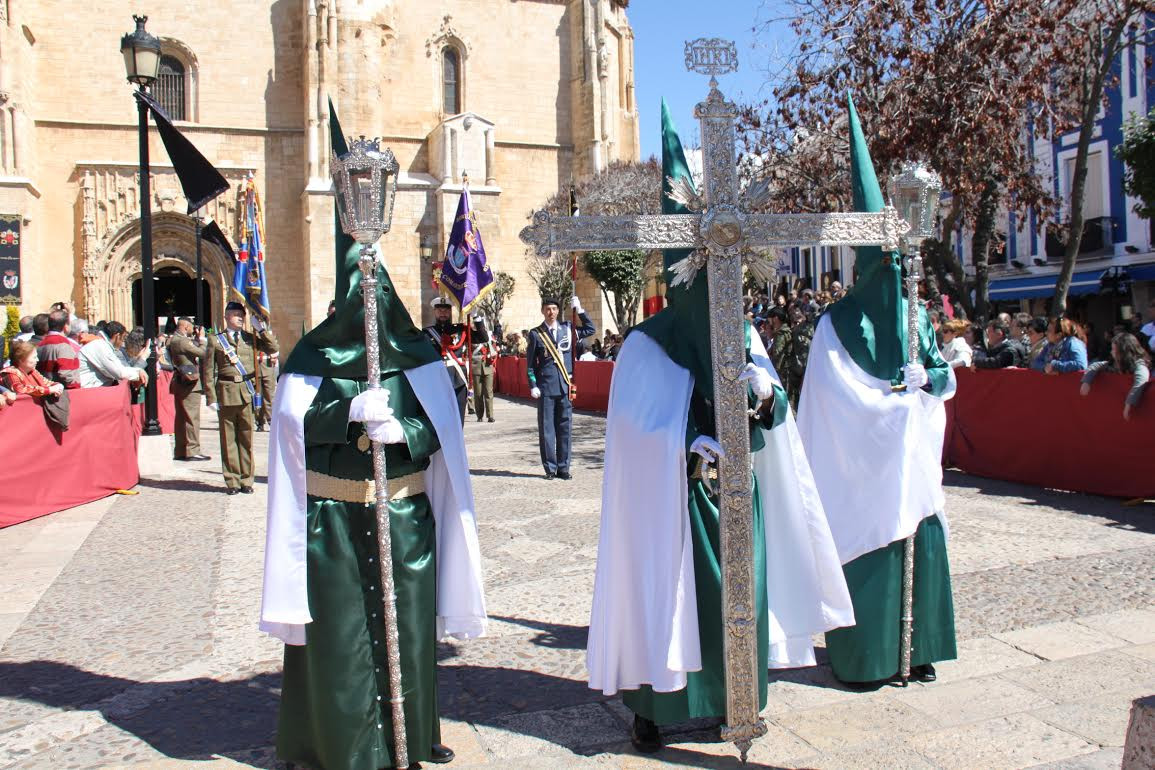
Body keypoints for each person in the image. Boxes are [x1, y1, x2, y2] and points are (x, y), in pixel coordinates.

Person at [588, 100, 853, 755]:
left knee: (738, 603)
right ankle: (656, 707)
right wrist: (684, 445)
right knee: (669, 600)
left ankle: (737, 700)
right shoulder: (647, 345)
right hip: (672, 504)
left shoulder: (741, 329)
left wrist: (765, 400)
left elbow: (775, 417)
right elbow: (631, 435)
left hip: (741, 498)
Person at [260, 114, 485, 769]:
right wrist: (343, 409)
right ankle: (341, 747)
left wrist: (403, 425)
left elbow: (442, 431)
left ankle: (411, 738)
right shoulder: (308, 355)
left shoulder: (416, 353)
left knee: (408, 635)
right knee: (337, 640)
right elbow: (288, 428)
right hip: (332, 517)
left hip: (405, 514)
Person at [798, 97, 957, 689]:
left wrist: (929, 385)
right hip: (860, 474)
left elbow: (942, 372)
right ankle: (866, 657)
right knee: (870, 555)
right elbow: (833, 402)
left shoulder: (916, 316)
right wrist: (895, 412)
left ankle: (918, 651)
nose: (891, 275)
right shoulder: (835, 323)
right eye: (881, 263)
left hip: (911, 469)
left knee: (922, 542)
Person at [204, 302, 278, 494]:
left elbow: (272, 348)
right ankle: (232, 481)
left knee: (246, 438)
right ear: (227, 316)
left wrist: (261, 329)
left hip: (247, 393)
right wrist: (211, 397)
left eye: (241, 315)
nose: (239, 318)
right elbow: (209, 371)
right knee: (228, 439)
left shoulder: (250, 338)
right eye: (235, 314)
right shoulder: (215, 340)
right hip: (226, 391)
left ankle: (247, 480)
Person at [525, 295, 595, 479]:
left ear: (558, 311)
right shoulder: (536, 333)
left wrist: (580, 310)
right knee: (547, 429)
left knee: (565, 427)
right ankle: (550, 468)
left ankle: (564, 467)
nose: (551, 312)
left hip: (565, 385)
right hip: (546, 387)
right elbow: (530, 364)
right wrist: (533, 384)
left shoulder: (568, 329)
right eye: (547, 309)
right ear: (542, 311)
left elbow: (590, 329)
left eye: (554, 309)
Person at [424, 296, 488, 423]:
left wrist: (476, 317)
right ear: (434, 312)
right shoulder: (427, 333)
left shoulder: (461, 330)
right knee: (439, 419)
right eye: (439, 310)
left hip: (457, 379)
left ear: (450, 311)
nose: (443, 313)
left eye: (446, 310)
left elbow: (482, 338)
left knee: (458, 419)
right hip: (437, 379)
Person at [1080, 332, 1150, 420]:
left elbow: (1140, 382)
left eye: (1114, 349)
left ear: (1124, 351)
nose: (1111, 352)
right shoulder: (1114, 363)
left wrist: (1128, 405)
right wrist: (1086, 382)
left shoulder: (1139, 365)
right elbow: (1096, 365)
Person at [168, 317, 210, 462]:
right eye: (191, 327)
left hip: (180, 382)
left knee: (181, 417)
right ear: (185, 326)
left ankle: (180, 450)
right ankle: (193, 450)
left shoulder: (173, 340)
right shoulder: (182, 341)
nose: (194, 329)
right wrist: (203, 339)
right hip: (190, 383)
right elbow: (204, 353)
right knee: (192, 417)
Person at [77, 321, 147, 388]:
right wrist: (138, 372)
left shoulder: (102, 344)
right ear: (117, 336)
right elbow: (118, 372)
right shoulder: (100, 345)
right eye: (123, 338)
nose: (123, 342)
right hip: (88, 390)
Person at [36, 310, 81, 388]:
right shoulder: (63, 344)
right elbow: (65, 373)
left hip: (47, 390)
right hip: (63, 394)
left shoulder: (41, 344)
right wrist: (75, 386)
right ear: (65, 327)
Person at [470, 320, 498, 422]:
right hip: (476, 366)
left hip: (488, 366)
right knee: (478, 393)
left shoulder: (489, 336)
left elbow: (494, 350)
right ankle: (479, 415)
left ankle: (490, 415)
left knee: (489, 392)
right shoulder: (471, 336)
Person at [254, 349, 278, 432]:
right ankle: (259, 422)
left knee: (269, 396)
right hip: (255, 367)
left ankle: (271, 420)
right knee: (257, 397)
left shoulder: (269, 335)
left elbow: (276, 346)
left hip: (268, 366)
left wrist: (275, 354)